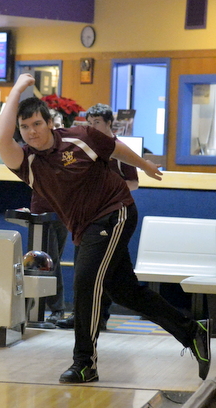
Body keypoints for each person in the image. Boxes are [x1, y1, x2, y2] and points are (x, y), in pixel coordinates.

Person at [0, 74, 211, 383]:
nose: (32, 132)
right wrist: (17, 89)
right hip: (86, 227)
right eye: (25, 127)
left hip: (115, 212)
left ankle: (85, 363)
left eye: (37, 124)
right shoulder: (26, 161)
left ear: (50, 122)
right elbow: (2, 139)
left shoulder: (80, 136)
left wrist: (144, 164)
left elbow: (113, 147)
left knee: (85, 283)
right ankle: (192, 331)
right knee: (124, 290)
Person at [56, 103, 139, 331]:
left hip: (113, 216)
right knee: (83, 267)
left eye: (97, 123)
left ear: (109, 124)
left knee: (107, 272)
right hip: (87, 217)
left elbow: (134, 182)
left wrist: (108, 190)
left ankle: (100, 315)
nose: (92, 127)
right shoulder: (85, 148)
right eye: (89, 123)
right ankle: (81, 314)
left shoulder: (119, 150)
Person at [28, 109, 68, 324]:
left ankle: (51, 307)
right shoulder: (36, 151)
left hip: (62, 212)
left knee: (53, 260)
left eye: (59, 124)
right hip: (40, 211)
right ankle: (55, 308)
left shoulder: (68, 152)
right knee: (47, 259)